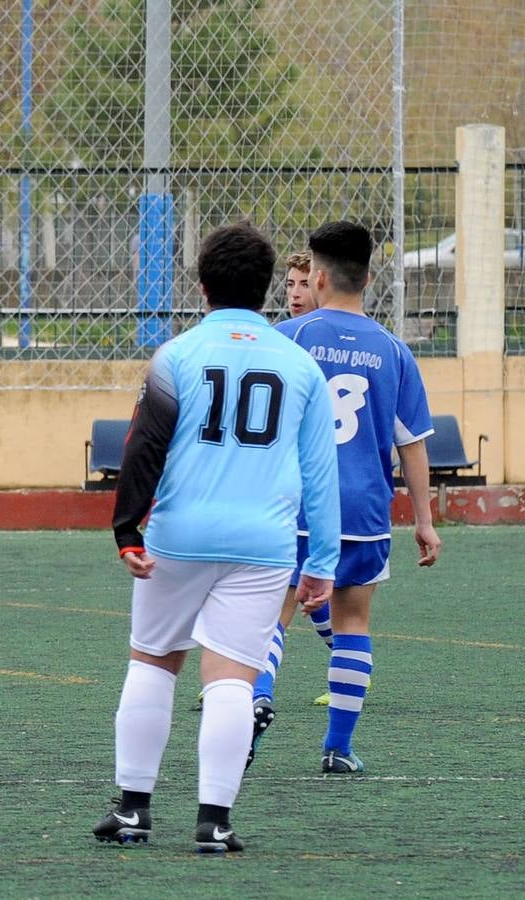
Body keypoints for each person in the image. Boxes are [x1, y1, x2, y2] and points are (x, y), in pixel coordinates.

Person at [93, 221, 339, 853]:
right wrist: (323, 561)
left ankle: (133, 811)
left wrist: (127, 528)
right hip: (264, 544)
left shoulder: (176, 356)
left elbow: (143, 445)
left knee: (152, 661)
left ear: (201, 286)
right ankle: (214, 822)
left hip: (178, 535)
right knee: (231, 678)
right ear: (265, 289)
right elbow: (320, 473)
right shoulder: (300, 365)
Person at [268, 221, 440, 774]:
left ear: (316, 277)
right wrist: (425, 521)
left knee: (275, 613)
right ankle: (338, 749)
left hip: (293, 504)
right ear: (368, 277)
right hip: (363, 509)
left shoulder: (289, 338)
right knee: (353, 624)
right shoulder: (393, 351)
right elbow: (411, 445)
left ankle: (256, 698)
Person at [241, 250, 338, 764]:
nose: (296, 292)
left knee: (311, 598)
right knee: (290, 599)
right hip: (288, 491)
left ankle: (253, 684)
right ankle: (254, 685)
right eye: (290, 284)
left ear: (324, 283)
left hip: (324, 490)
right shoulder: (277, 338)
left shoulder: (299, 343)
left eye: (305, 282)